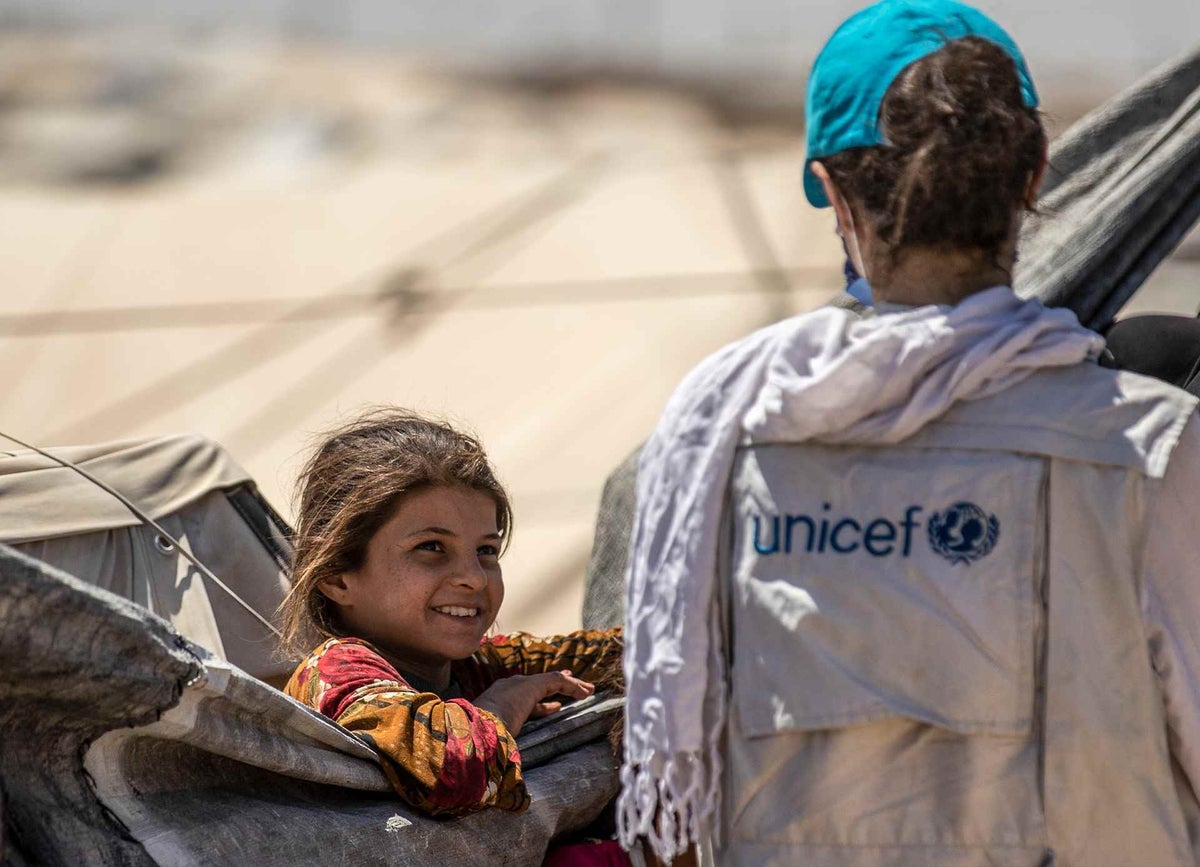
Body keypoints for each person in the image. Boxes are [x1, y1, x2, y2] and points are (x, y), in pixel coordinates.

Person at [617, 2, 1200, 865]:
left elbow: (671, 787)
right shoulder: (1152, 448)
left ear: (836, 194)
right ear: (1035, 175)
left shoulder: (719, 431)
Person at [277, 408, 624, 821]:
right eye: (431, 548)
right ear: (337, 578)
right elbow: (452, 771)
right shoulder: (338, 677)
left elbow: (618, 652)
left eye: (486, 551)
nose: (474, 578)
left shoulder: (475, 666)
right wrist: (502, 705)